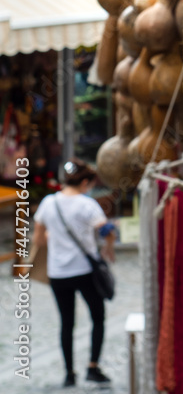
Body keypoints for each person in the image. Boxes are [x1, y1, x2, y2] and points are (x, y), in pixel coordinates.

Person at [33, 159, 115, 387]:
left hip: (58, 273)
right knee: (97, 316)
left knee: (66, 323)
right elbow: (107, 229)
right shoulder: (87, 205)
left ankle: (69, 373)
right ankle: (93, 367)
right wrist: (108, 247)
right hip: (84, 271)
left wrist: (55, 237)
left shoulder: (49, 203)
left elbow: (38, 239)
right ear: (86, 182)